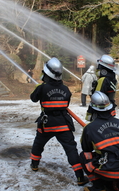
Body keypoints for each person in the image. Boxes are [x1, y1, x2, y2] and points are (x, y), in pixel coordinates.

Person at [29, 57, 88, 186]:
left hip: (47, 124)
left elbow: (33, 99)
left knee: (38, 143)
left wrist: (40, 88)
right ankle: (79, 177)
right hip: (63, 124)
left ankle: (34, 164)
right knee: (71, 149)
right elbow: (65, 104)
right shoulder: (66, 89)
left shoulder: (42, 88)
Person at [80, 91, 119, 191]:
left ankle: (98, 186)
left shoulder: (90, 128)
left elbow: (86, 148)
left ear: (92, 109)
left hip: (108, 169)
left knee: (84, 156)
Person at [86, 55, 117, 121]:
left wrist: (89, 114)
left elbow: (96, 99)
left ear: (103, 69)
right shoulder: (113, 79)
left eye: (99, 66)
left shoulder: (103, 80)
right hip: (110, 108)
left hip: (100, 112)